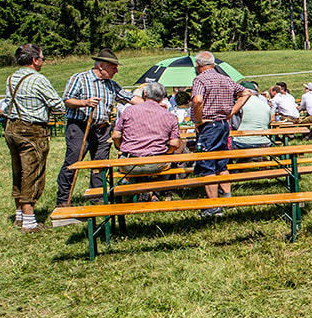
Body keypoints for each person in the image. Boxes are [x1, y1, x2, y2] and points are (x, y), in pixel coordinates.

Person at [50, 50, 126, 216]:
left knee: (100, 164)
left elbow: (129, 98)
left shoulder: (111, 85)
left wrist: (151, 104)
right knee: (73, 162)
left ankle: (97, 196)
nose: (116, 71)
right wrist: (84, 102)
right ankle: (63, 200)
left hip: (102, 128)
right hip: (80, 127)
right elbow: (67, 101)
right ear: (101, 66)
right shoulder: (80, 78)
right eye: (113, 67)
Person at [2, 44, 65, 231]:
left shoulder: (11, 77)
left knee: (18, 171)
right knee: (32, 173)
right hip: (32, 130)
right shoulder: (38, 80)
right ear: (34, 60)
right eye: (42, 58)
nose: (42, 62)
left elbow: (7, 104)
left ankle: (19, 215)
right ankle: (29, 221)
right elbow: (58, 106)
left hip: (11, 127)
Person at [187, 50, 248, 211]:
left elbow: (198, 100)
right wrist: (231, 112)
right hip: (223, 125)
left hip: (208, 126)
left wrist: (198, 120)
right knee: (222, 162)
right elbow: (246, 92)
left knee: (207, 163)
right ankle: (227, 199)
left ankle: (213, 206)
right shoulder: (226, 79)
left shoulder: (199, 80)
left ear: (198, 65)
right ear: (213, 64)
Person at [112, 81, 184, 176]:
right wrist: (167, 152)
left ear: (145, 94)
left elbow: (115, 135)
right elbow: (174, 144)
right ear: (163, 97)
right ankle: (161, 189)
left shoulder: (129, 111)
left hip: (129, 164)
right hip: (157, 164)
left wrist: (121, 147)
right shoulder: (170, 116)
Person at [232, 81, 273, 149]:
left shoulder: (239, 104)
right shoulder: (265, 104)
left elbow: (235, 125)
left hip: (242, 141)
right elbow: (269, 122)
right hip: (264, 141)